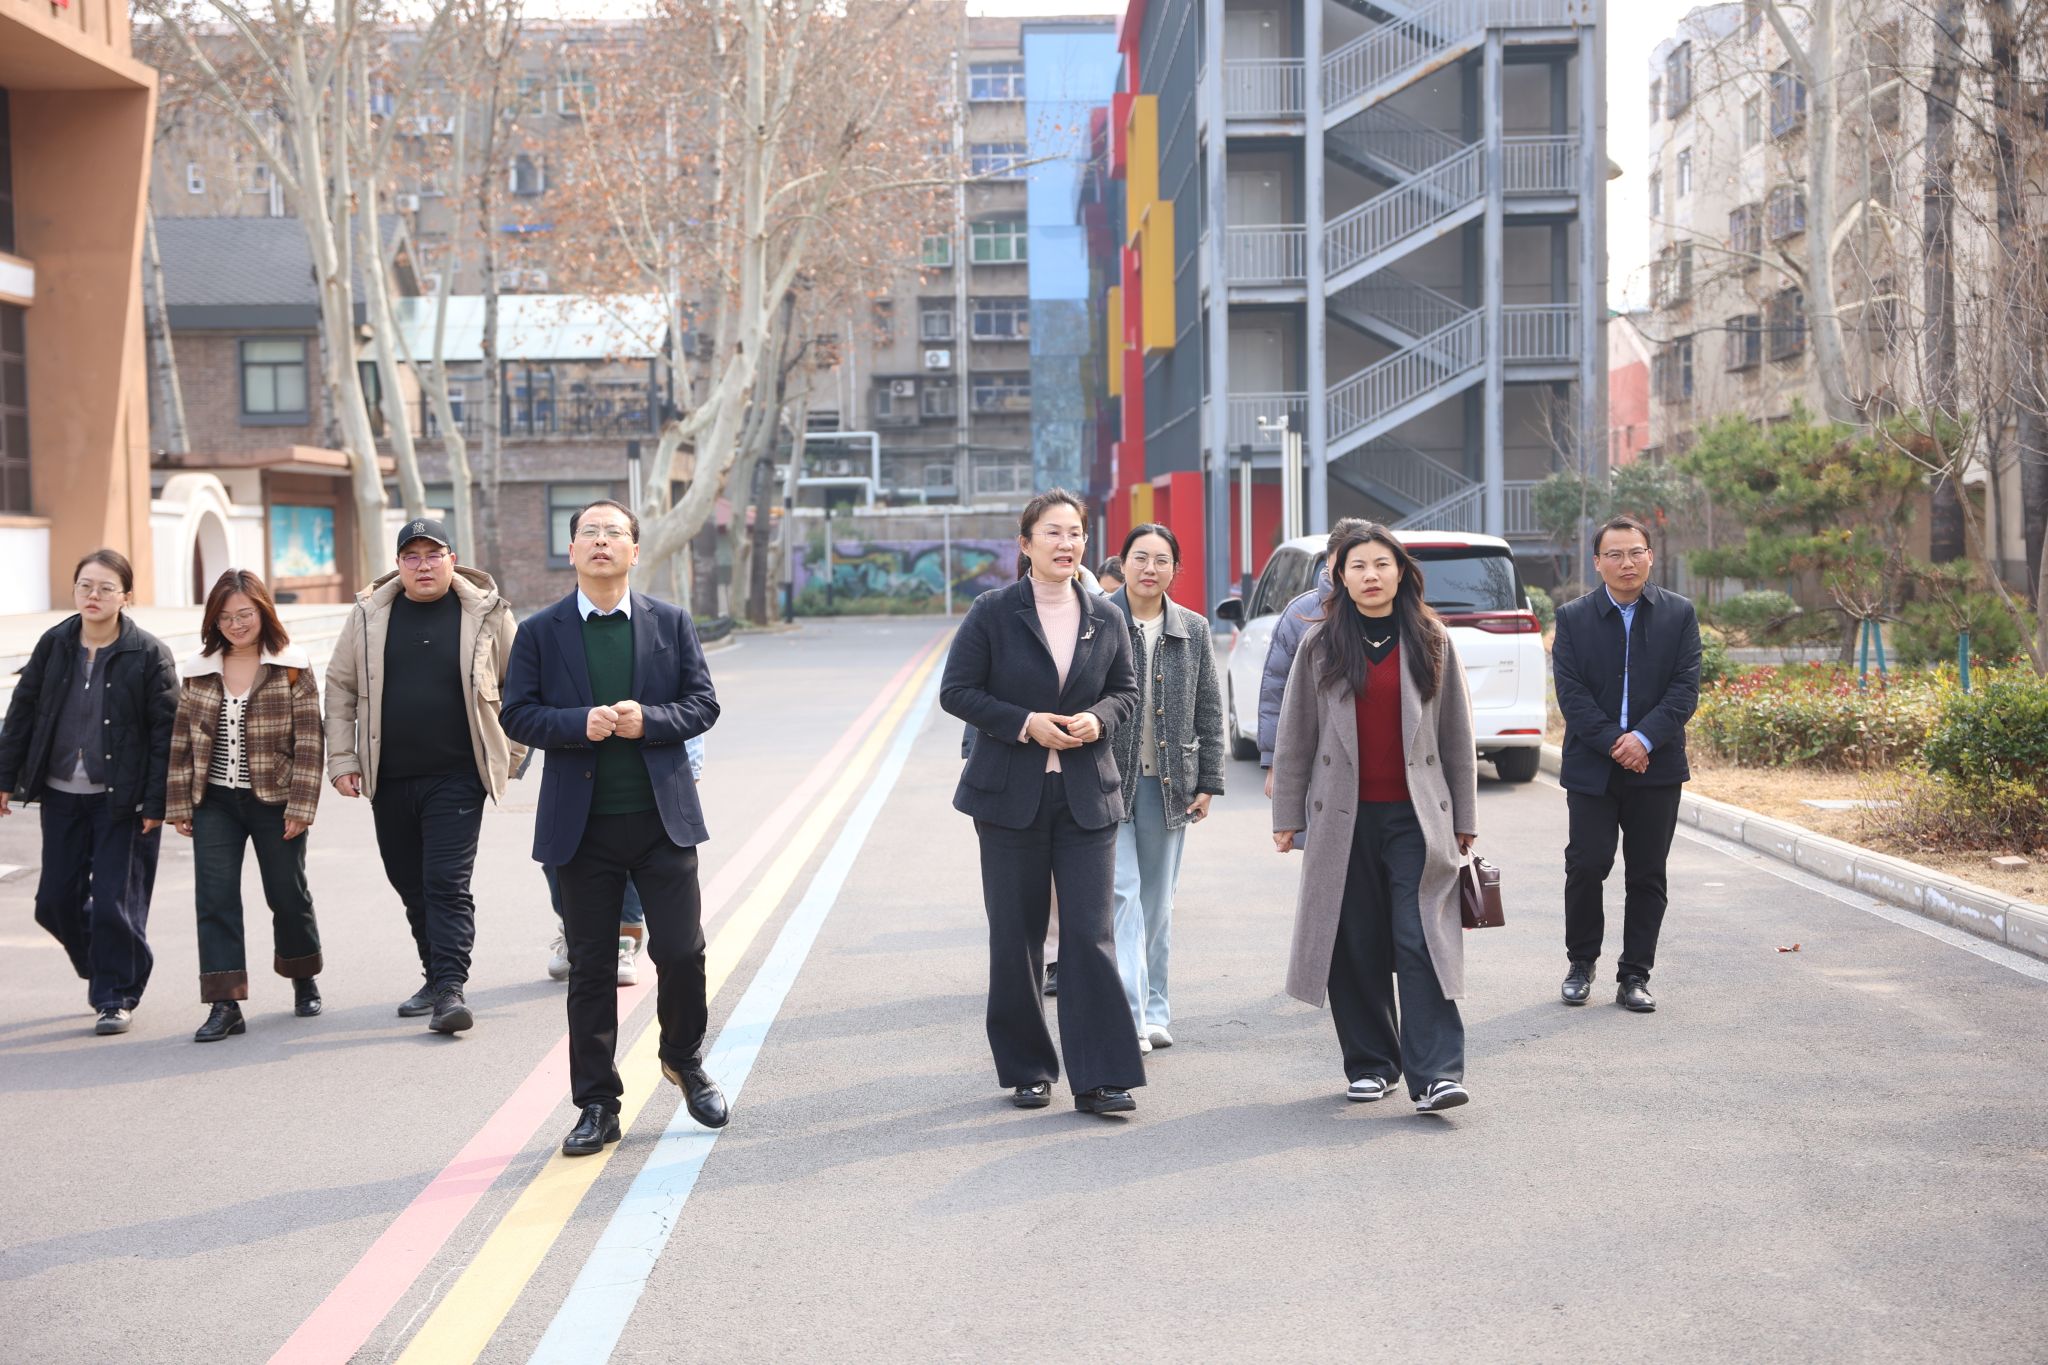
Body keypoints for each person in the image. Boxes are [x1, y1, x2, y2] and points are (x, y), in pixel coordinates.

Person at [500, 499, 726, 1157]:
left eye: (614, 533)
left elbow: (702, 704)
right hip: (583, 829)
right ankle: (597, 1103)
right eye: (589, 533)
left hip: (662, 821)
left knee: (681, 951)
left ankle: (682, 1057)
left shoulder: (670, 622)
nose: (602, 542)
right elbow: (517, 714)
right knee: (592, 967)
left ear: (634, 550)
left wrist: (648, 720)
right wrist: (579, 724)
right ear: (572, 550)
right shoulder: (540, 631)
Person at [940, 488, 1144, 1116]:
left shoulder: (1106, 616)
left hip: (1087, 797)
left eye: (1075, 532)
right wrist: (1026, 723)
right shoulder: (993, 612)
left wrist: (1098, 719)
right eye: (1052, 532)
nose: (1066, 543)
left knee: (1090, 935)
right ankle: (1028, 1069)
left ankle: (1101, 1076)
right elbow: (957, 691)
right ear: (1025, 545)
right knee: (1017, 934)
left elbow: (1125, 691)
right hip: (1009, 799)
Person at [1270, 525, 1479, 1114]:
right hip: (1343, 817)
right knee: (1353, 938)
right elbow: (1296, 735)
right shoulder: (1321, 643)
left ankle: (1436, 1074)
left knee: (1421, 937)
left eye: (1381, 564)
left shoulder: (1431, 638)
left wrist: (1464, 814)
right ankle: (1370, 1064)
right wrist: (1287, 814)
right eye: (1357, 566)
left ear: (1401, 571)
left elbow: (1456, 733)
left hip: (1417, 817)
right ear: (1339, 576)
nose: (1370, 575)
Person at [324, 518, 522, 1035]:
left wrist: (511, 753)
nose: (423, 565)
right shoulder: (368, 614)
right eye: (411, 556)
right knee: (409, 882)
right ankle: (435, 977)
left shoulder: (487, 611)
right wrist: (343, 760)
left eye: (433, 555)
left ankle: (451, 989)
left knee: (445, 883)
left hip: (458, 775)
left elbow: (521, 682)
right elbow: (340, 686)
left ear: (452, 559)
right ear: (398, 565)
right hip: (389, 776)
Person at [0, 549, 178, 1035]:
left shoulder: (148, 653)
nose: (93, 595)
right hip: (61, 793)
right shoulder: (54, 643)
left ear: (126, 596)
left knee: (115, 902)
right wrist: (4, 778)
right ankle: (106, 966)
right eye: (85, 585)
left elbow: (165, 734)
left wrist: (157, 802)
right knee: (54, 901)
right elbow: (22, 712)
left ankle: (114, 995)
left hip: (123, 799)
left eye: (105, 587)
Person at [1550, 515, 1702, 1013]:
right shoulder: (1573, 618)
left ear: (1650, 556)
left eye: (1636, 552)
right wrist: (1619, 743)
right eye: (1614, 554)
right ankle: (1581, 963)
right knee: (1586, 864)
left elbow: (1685, 689)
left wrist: (1644, 739)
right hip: (1592, 766)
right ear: (1597, 563)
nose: (1627, 563)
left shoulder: (1679, 614)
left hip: (1656, 766)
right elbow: (1571, 695)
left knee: (1647, 874)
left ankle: (1635, 974)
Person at [167, 570, 326, 1041]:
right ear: (213, 621)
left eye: (245, 614)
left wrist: (302, 805)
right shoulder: (198, 669)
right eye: (225, 617)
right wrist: (180, 803)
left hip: (275, 801)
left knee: (287, 894)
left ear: (263, 612)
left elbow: (310, 741)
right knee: (214, 899)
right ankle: (224, 1003)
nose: (236, 624)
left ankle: (302, 974)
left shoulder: (291, 665)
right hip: (214, 802)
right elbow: (181, 740)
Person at [1106, 523, 1224, 1054]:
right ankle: (1129, 1014)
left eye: (1160, 560)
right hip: (1107, 782)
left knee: (1157, 905)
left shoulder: (1193, 628)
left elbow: (1209, 709)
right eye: (1139, 557)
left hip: (1169, 785)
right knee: (1123, 895)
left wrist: (1210, 781)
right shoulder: (1098, 619)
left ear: (1176, 568)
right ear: (1122, 563)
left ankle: (1156, 1009)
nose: (1149, 569)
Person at [543, 735, 702, 986]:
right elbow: (525, 716)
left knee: (631, 851)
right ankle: (574, 933)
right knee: (559, 855)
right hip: (571, 768)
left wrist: (688, 766)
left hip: (651, 770)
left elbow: (691, 710)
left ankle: (623, 943)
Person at [1257, 518, 1370, 799]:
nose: (1351, 571)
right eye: (1343, 561)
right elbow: (1276, 689)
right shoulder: (1301, 614)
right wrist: (1274, 761)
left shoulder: (1398, 614)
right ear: (1328, 561)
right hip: (1322, 756)